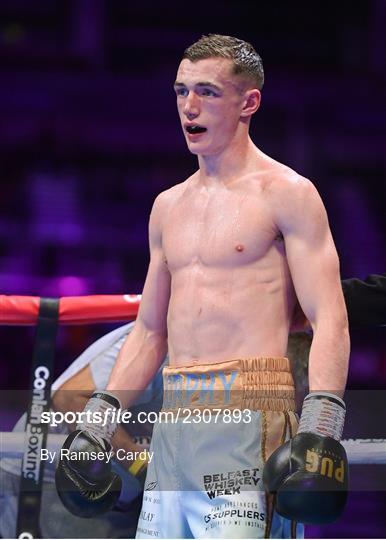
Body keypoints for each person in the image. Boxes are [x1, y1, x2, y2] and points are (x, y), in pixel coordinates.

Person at [56, 34, 350, 539]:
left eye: (208, 92)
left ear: (248, 102)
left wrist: (321, 423)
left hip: (247, 410)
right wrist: (99, 422)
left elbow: (331, 317)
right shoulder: (168, 206)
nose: (189, 106)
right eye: (180, 91)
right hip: (173, 420)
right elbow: (149, 330)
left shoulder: (287, 194)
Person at [0, 323, 164, 538]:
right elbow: (69, 398)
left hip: (118, 498)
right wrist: (141, 466)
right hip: (48, 481)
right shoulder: (155, 342)